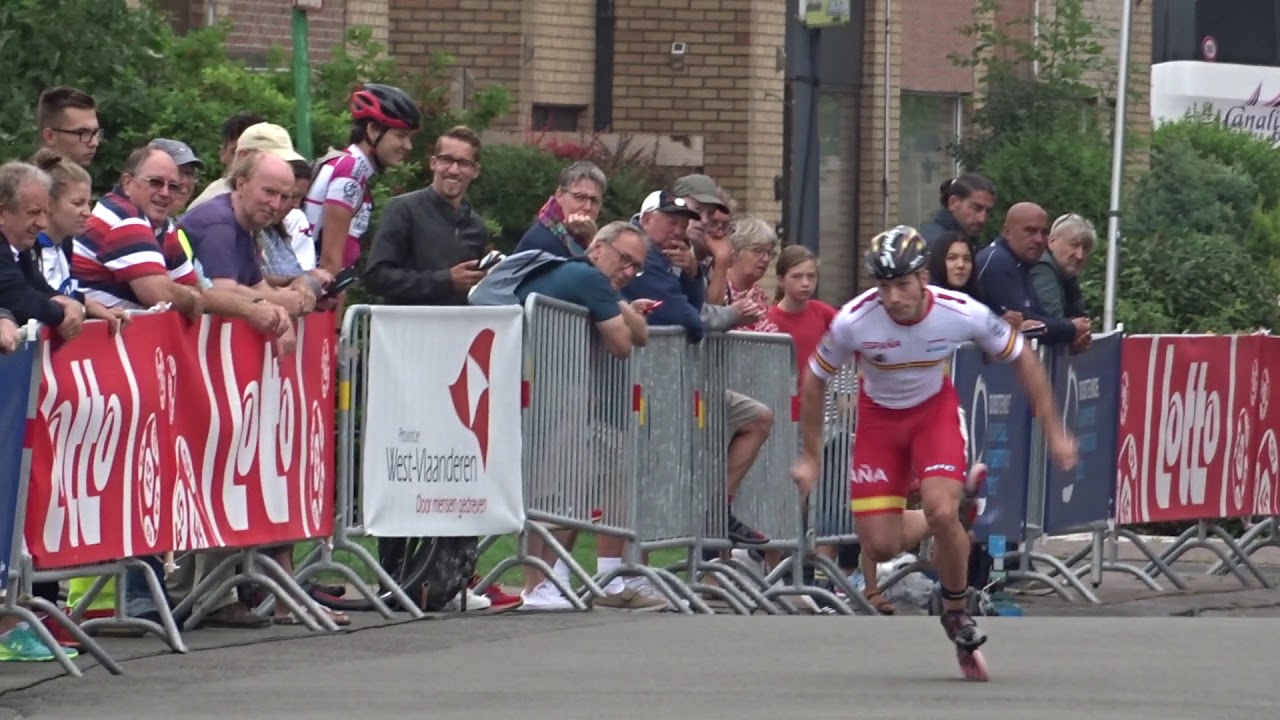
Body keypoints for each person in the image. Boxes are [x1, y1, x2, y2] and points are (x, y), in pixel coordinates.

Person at [791, 225, 1078, 655]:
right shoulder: (854, 320)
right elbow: (814, 380)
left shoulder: (959, 310)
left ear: (924, 278)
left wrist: (1054, 430)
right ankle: (953, 510)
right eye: (883, 287)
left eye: (902, 285)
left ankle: (956, 607)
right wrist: (811, 457)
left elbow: (1022, 357)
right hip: (879, 425)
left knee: (942, 511)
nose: (892, 298)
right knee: (881, 546)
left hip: (933, 415)